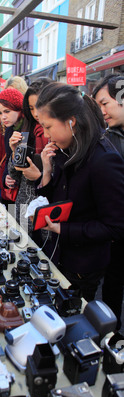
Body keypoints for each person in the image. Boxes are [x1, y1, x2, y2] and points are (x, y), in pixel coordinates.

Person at [34, 81, 124, 302]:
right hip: (60, 255)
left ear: (71, 122)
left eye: (48, 126)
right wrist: (46, 174)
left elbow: (115, 227)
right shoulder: (67, 149)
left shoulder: (104, 159)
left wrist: (64, 229)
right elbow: (61, 200)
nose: (45, 135)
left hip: (83, 265)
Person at [92, 74, 124, 334]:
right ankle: (113, 338)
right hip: (118, 232)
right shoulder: (108, 138)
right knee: (113, 285)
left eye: (105, 103)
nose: (102, 111)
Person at [6, 78, 52, 241]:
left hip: (47, 214)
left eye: (39, 107)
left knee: (44, 260)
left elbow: (63, 184)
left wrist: (39, 177)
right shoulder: (27, 128)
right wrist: (14, 154)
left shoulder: (58, 135)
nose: (35, 113)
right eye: (31, 108)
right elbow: (16, 175)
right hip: (24, 208)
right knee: (21, 253)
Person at [0, 87, 25, 207]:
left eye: (7, 111)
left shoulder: (27, 129)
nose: (3, 117)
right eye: (0, 113)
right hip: (13, 191)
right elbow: (7, 157)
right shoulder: (8, 130)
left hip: (26, 195)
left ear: (18, 108)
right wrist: (6, 178)